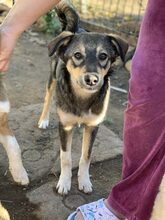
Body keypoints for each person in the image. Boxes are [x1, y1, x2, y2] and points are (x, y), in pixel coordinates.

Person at [0, 0, 164, 219]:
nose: (91, 72)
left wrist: (83, 172)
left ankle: (83, 170)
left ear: (113, 57)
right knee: (53, 100)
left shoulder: (102, 85)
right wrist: (65, 172)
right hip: (65, 94)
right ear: (64, 56)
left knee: (91, 127)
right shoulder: (62, 57)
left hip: (95, 102)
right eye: (78, 57)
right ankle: (47, 114)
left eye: (102, 57)